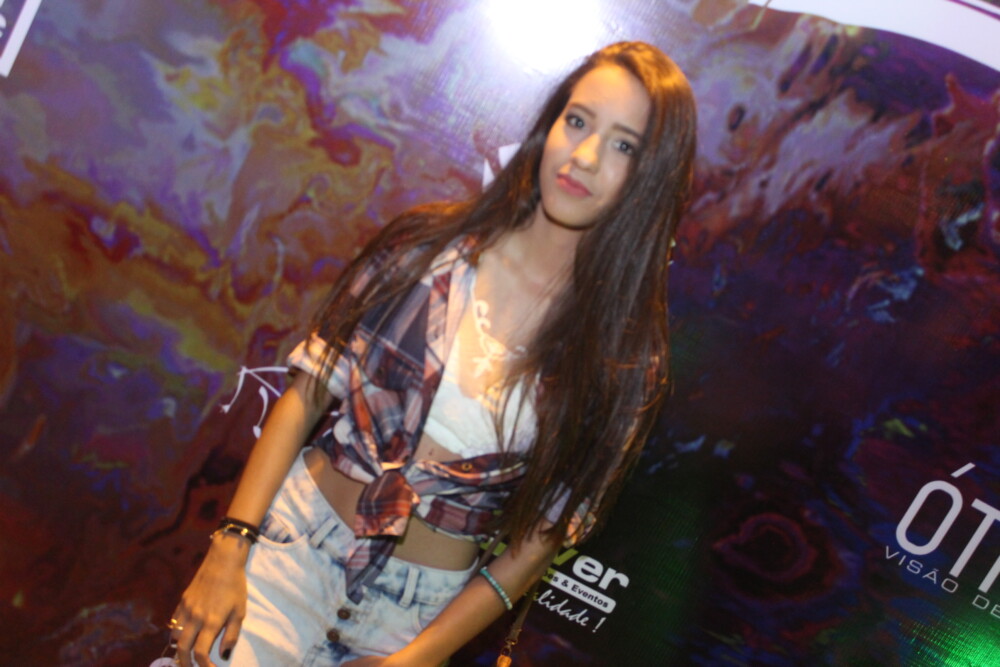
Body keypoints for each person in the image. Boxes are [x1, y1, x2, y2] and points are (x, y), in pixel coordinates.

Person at [168, 40, 697, 667]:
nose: (584, 156)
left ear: (652, 177)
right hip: (290, 558)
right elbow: (306, 395)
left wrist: (416, 660)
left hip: (411, 624)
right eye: (578, 121)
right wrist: (229, 549)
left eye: (623, 145)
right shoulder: (428, 249)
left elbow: (539, 541)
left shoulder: (623, 366)